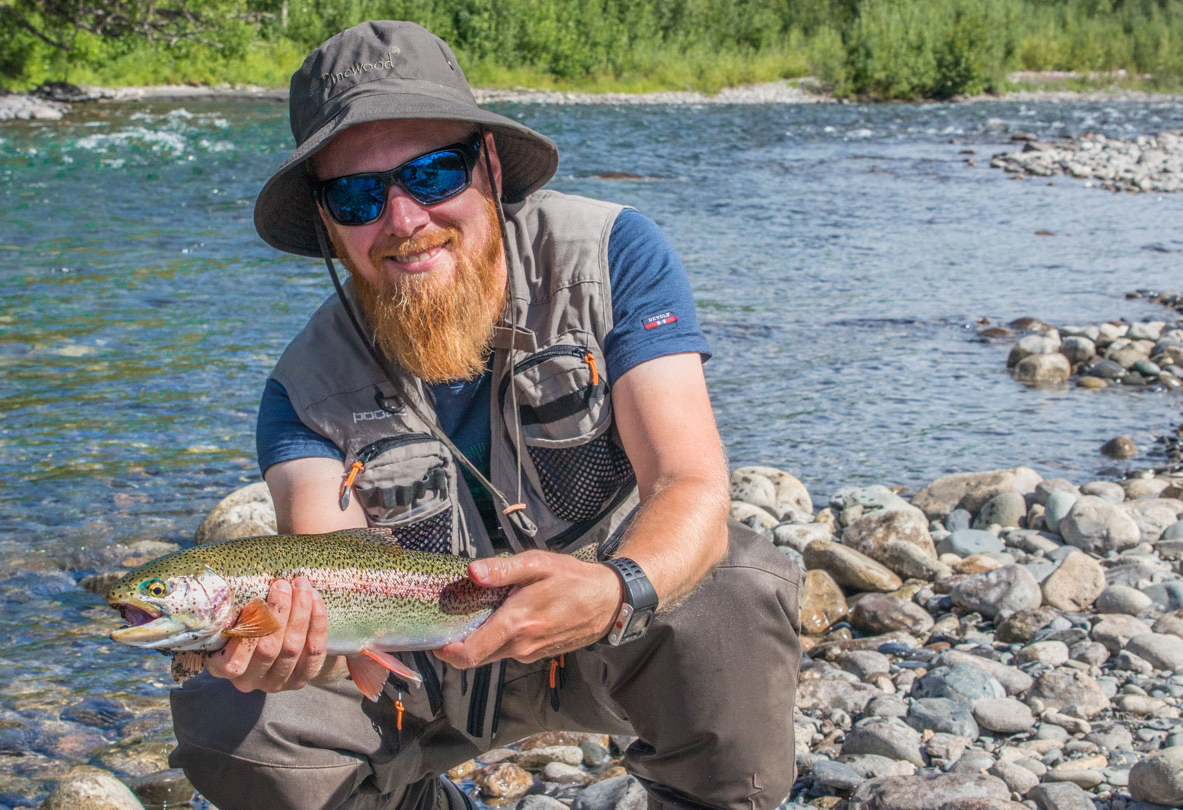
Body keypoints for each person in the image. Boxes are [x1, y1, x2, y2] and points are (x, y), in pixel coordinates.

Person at [170, 20, 802, 810]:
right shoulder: (302, 393)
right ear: (329, 222)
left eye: (433, 174)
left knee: (737, 584)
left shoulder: (614, 255)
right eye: (359, 195)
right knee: (233, 712)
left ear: (490, 166)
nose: (403, 220)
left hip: (621, 626)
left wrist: (618, 589)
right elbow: (332, 584)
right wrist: (299, 649)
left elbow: (690, 480)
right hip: (432, 668)